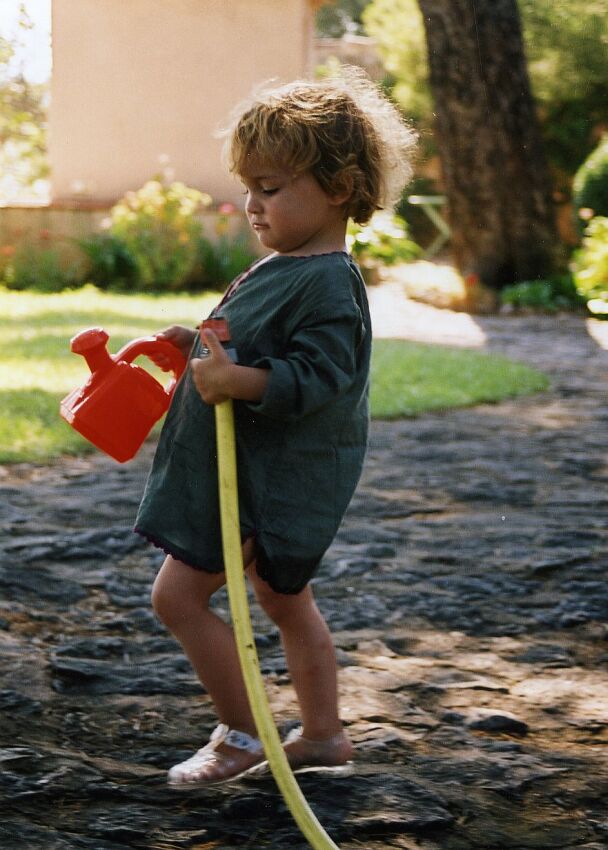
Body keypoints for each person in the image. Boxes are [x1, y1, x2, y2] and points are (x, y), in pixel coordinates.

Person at [134, 67, 416, 788]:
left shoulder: (328, 282)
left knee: (176, 597)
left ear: (340, 187)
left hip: (270, 482)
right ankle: (323, 735)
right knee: (285, 600)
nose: (253, 204)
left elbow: (319, 379)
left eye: (271, 187)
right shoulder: (291, 265)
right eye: (250, 187)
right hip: (263, 476)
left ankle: (241, 734)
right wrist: (194, 350)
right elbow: (252, 347)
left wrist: (238, 381)